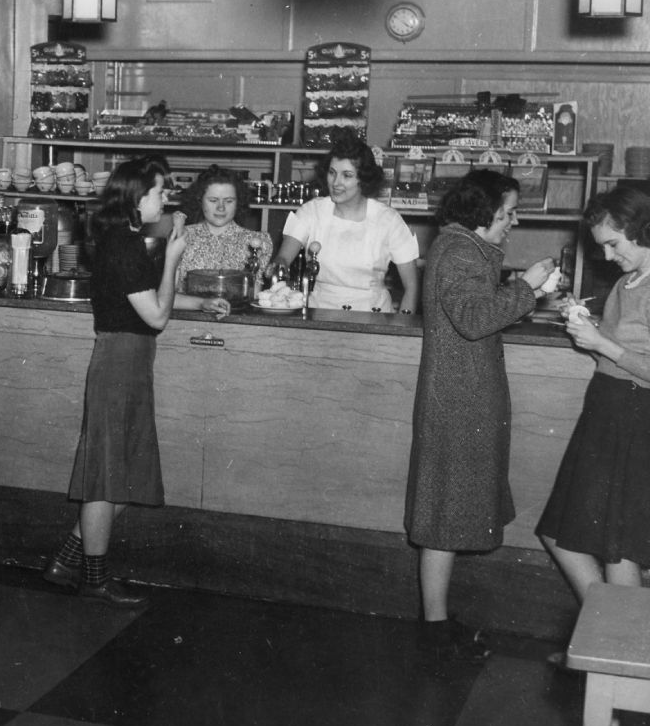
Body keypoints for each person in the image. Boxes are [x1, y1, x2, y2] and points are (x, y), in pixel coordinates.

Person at [42, 156, 228, 609]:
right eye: (160, 192)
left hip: (130, 359)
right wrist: (172, 258)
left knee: (122, 472)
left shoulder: (123, 239)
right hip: (120, 361)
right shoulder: (124, 246)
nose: (165, 201)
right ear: (136, 196)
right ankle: (94, 578)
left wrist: (202, 302)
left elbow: (150, 301)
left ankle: (67, 560)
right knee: (108, 477)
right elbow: (157, 316)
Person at [404, 169, 555, 661]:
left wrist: (518, 289)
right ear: (482, 212)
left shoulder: (458, 248)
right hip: (460, 401)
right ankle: (432, 628)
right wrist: (528, 287)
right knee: (445, 514)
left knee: (443, 514)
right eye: (508, 212)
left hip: (460, 397)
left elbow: (471, 310)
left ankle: (435, 622)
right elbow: (473, 321)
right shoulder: (462, 251)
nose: (514, 221)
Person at [537, 186, 650, 605]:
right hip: (606, 411)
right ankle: (607, 634)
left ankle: (624, 649)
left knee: (615, 544)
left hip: (635, 416)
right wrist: (588, 324)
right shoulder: (627, 281)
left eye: (613, 244)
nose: (606, 256)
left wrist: (602, 344)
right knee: (560, 532)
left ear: (641, 229)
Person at [274, 137, 421, 313]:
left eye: (347, 175)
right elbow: (283, 259)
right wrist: (278, 266)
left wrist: (401, 335)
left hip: (373, 318)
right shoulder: (311, 211)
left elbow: (412, 287)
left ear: (363, 179)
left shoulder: (389, 220)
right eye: (332, 172)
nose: (336, 183)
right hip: (319, 315)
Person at [175, 164, 273, 292]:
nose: (221, 207)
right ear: (200, 200)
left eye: (228, 201)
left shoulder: (257, 242)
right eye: (213, 200)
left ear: (238, 203)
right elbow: (171, 292)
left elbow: (254, 293)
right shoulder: (182, 236)